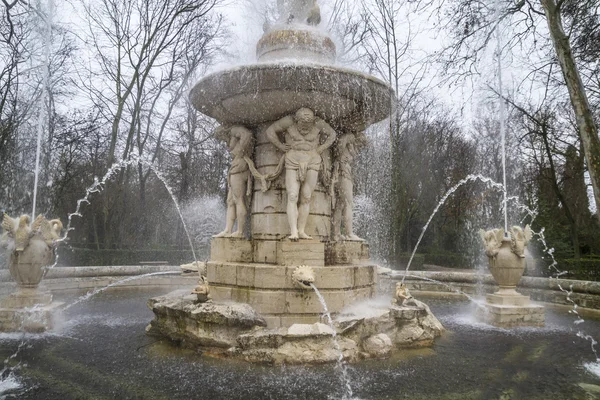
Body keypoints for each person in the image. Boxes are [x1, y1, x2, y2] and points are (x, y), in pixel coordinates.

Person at [266, 108, 336, 240]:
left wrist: (321, 148)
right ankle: (293, 232)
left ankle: (301, 230)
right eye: (303, 123)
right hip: (293, 158)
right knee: (292, 195)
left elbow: (332, 134)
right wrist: (280, 146)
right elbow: (270, 131)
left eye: (308, 124)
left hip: (313, 159)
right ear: (297, 120)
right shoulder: (288, 121)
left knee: (307, 197)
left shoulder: (318, 123)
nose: (305, 126)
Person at [214, 125, 253, 238]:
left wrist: (241, 151)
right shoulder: (232, 136)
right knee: (230, 201)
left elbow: (247, 134)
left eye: (220, 137)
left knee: (238, 200)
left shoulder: (233, 130)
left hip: (239, 166)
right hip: (236, 166)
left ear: (222, 132)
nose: (222, 140)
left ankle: (240, 232)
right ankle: (228, 230)